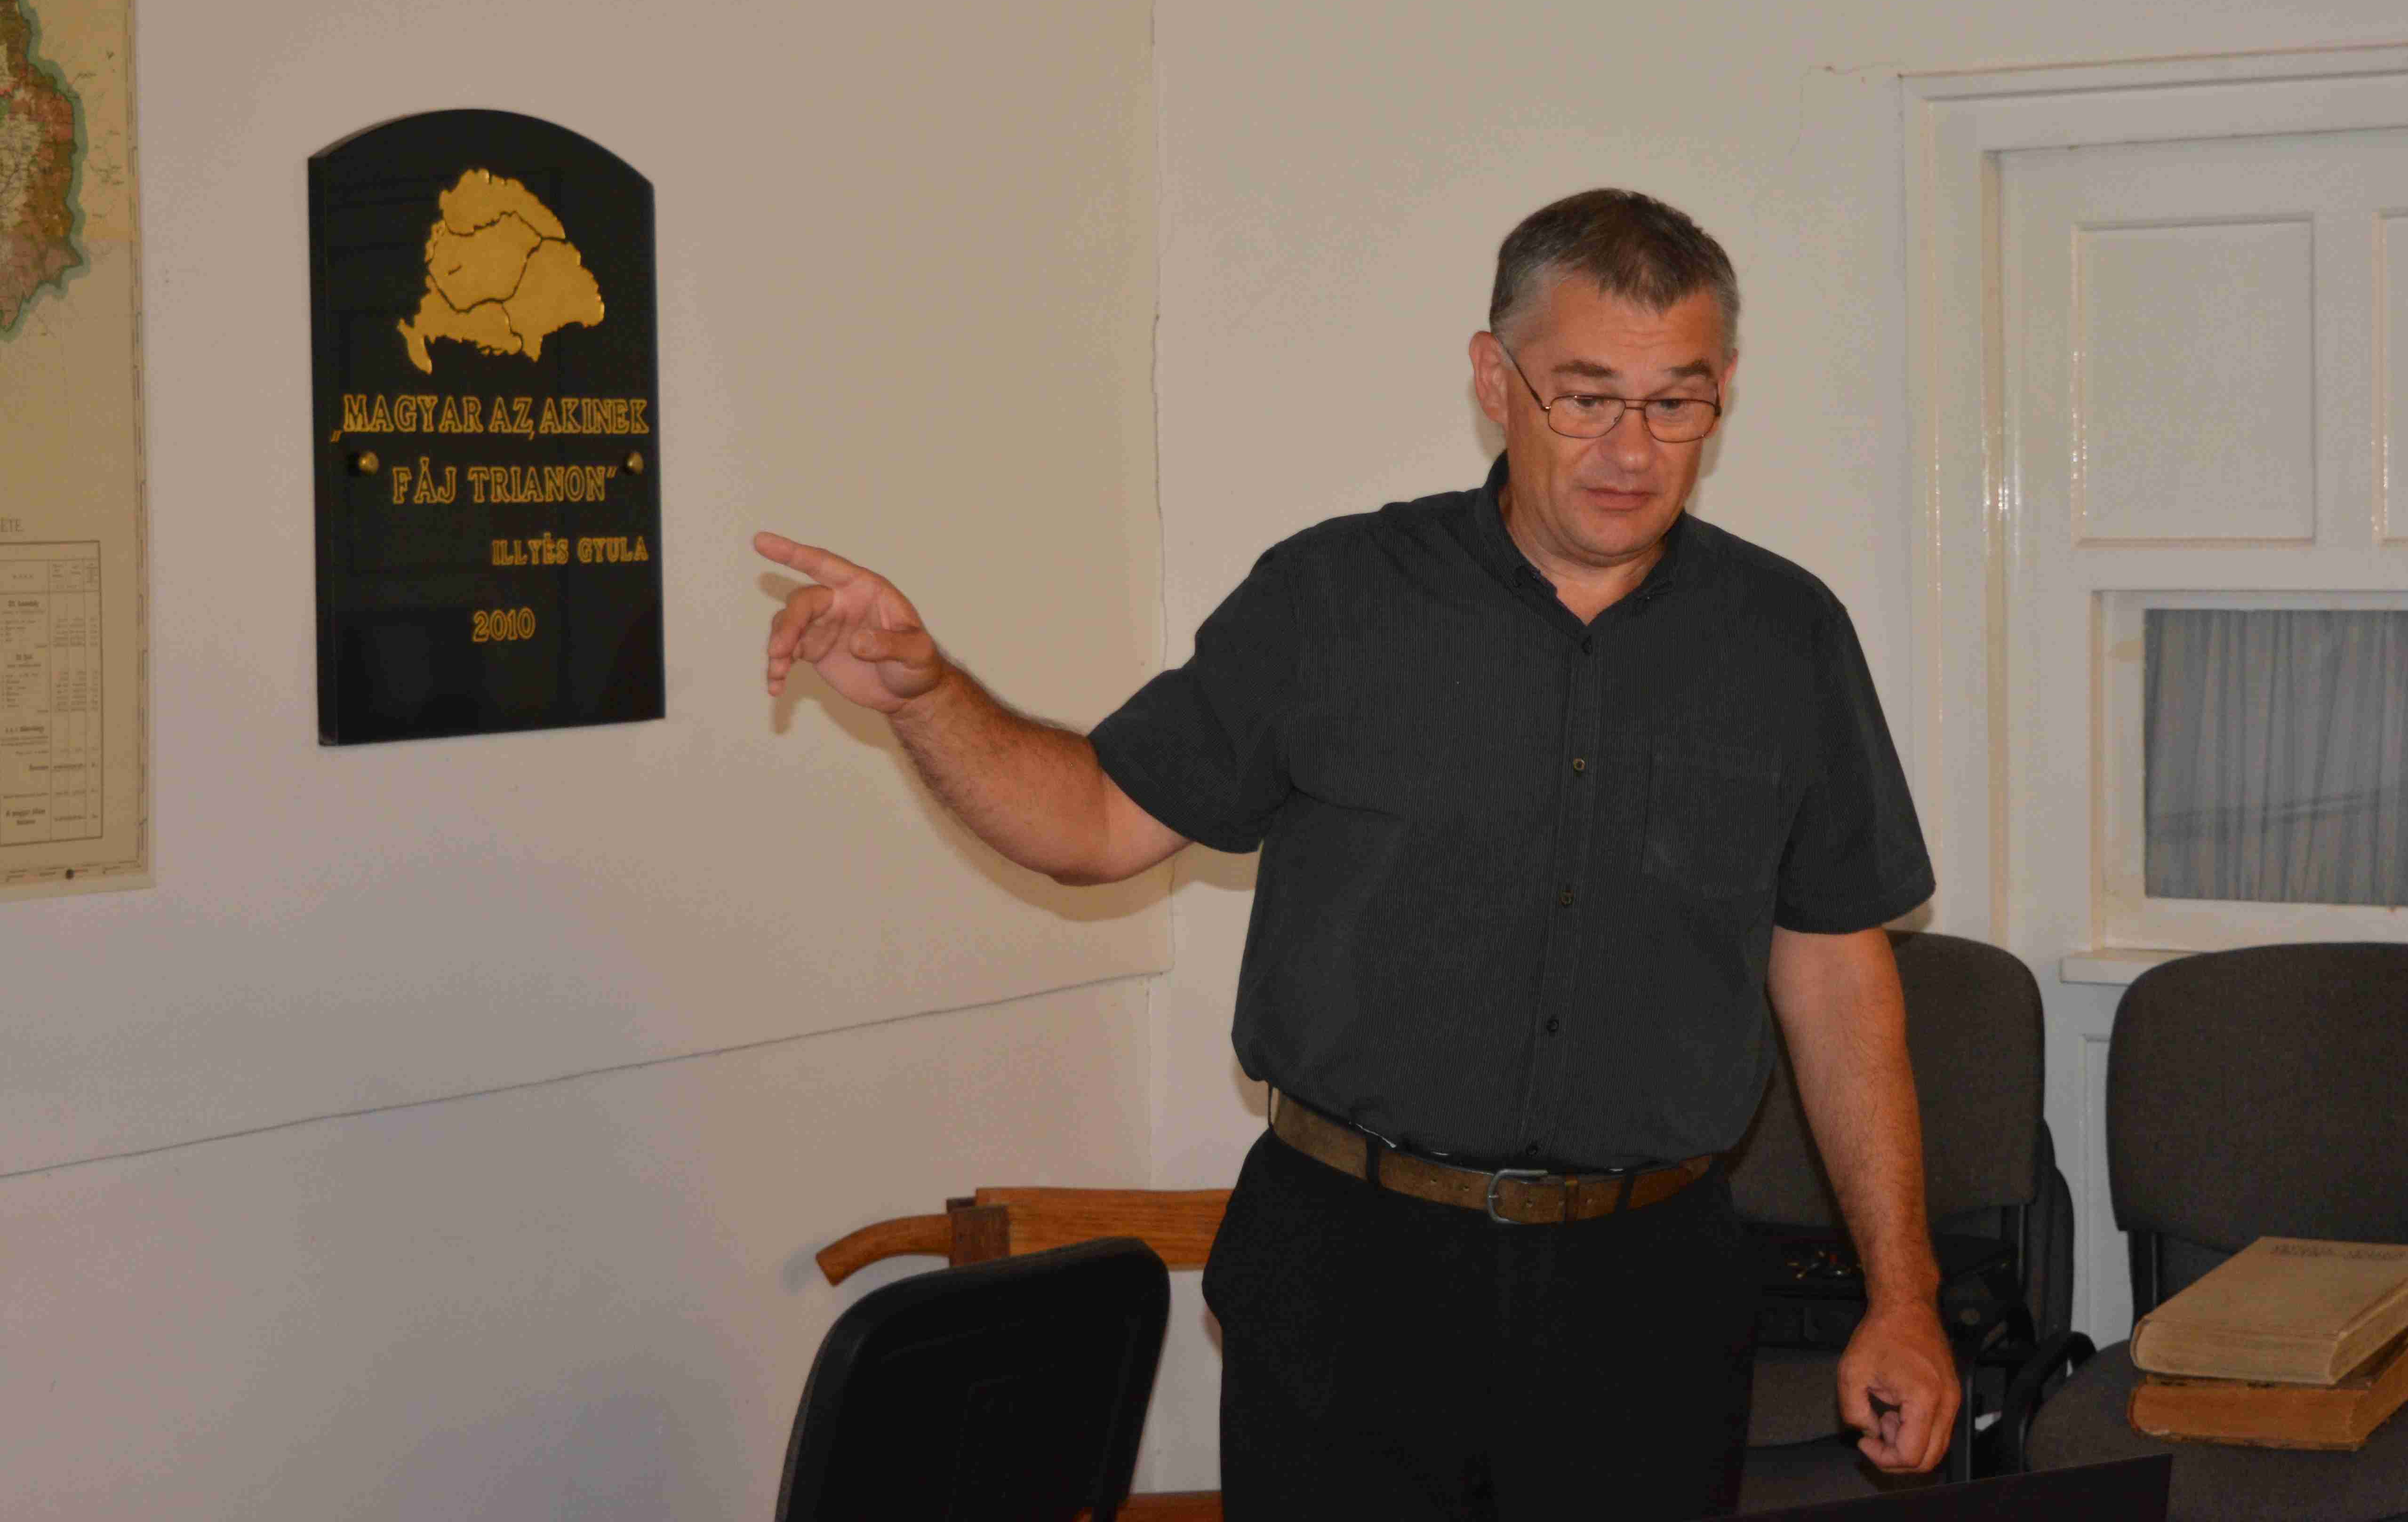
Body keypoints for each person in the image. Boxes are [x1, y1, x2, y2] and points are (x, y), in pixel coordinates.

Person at [757, 188, 1956, 1518]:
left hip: (1649, 1297)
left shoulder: (1787, 638)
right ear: (1493, 380)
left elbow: (1838, 978)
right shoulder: (1333, 601)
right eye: (1585, 397)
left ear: (1723, 390)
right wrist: (929, 696)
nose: (1631, 449)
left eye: (1676, 402)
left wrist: (1904, 1298)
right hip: (1351, 1278)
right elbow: (1092, 822)